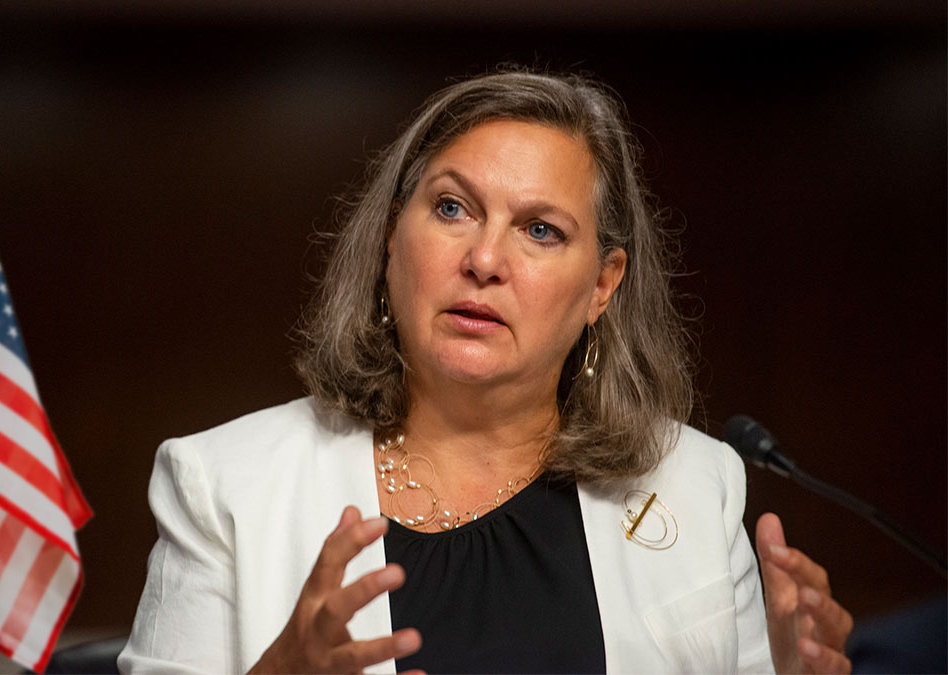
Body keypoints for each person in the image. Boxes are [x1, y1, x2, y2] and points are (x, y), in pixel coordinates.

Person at [118, 70, 853, 674]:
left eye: (541, 230)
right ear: (390, 240)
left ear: (602, 286)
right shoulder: (225, 484)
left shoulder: (695, 484)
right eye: (452, 208)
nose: (485, 259)